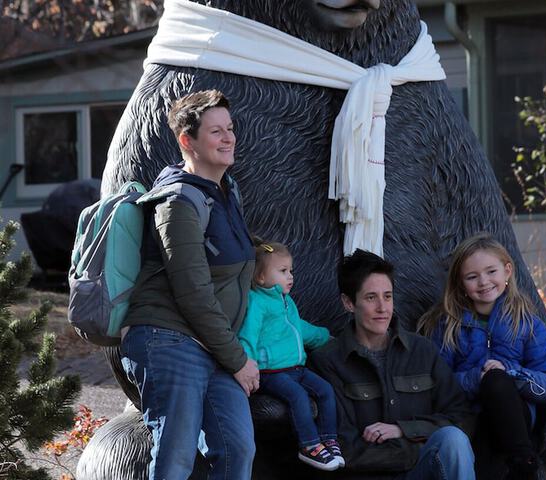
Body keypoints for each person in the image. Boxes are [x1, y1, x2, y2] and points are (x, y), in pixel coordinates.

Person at [120, 90, 258, 480]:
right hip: (168, 339)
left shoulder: (227, 193)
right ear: (187, 140)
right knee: (175, 457)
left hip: (212, 343)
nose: (228, 138)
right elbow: (193, 290)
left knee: (237, 448)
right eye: (216, 131)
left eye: (230, 128)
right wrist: (237, 360)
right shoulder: (177, 202)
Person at [309, 249, 476, 480]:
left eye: (387, 296)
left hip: (421, 473)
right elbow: (342, 448)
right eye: (371, 298)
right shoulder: (327, 362)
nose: (383, 308)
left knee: (453, 439)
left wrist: (403, 430)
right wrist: (416, 448)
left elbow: (462, 418)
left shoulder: (422, 351)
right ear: (348, 303)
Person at [418, 232, 546, 480]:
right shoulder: (447, 325)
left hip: (516, 419)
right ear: (460, 282)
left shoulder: (526, 323)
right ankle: (524, 468)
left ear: (507, 271)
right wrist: (478, 377)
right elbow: (438, 385)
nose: (483, 282)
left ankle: (523, 466)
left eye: (491, 271)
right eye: (472, 277)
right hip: (469, 418)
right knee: (489, 398)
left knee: (497, 381)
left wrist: (510, 374)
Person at [238, 240, 343, 471]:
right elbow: (248, 334)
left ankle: (329, 439)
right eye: (283, 271)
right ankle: (309, 445)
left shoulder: (287, 302)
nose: (290, 276)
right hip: (271, 372)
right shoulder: (257, 302)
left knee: (326, 390)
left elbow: (299, 328)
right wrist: (248, 364)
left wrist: (325, 337)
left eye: (291, 271)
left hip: (296, 368)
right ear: (261, 277)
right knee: (298, 396)